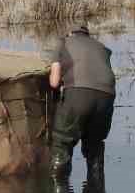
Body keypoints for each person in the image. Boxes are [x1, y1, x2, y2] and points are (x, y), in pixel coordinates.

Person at [49, 22, 116, 180]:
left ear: (69, 33)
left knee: (62, 142)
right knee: (95, 146)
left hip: (78, 94)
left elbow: (54, 81)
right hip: (106, 98)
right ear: (86, 33)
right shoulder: (101, 47)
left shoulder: (63, 43)